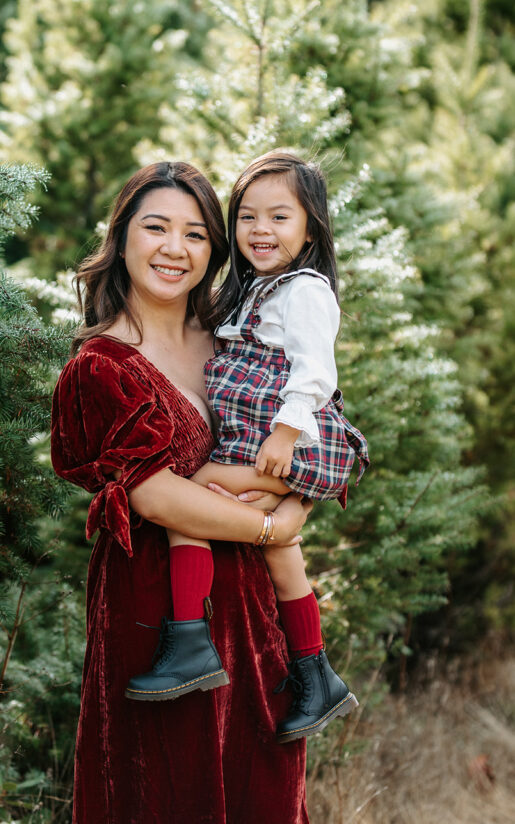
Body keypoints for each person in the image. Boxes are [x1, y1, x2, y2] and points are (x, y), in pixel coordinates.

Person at [51, 161, 313, 824]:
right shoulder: (99, 365)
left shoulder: (236, 343)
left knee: (261, 789)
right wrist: (270, 529)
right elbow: (154, 497)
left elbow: (310, 436)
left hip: (254, 611)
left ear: (213, 251)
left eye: (195, 234)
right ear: (122, 238)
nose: (175, 248)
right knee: (165, 789)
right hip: (157, 614)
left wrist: (294, 504)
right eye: (156, 227)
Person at [125, 152, 368, 745]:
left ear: (311, 227)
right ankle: (315, 670)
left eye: (280, 217)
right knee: (282, 553)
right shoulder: (256, 291)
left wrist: (284, 439)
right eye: (247, 217)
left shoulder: (304, 291)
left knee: (192, 490)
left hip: (286, 437)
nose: (261, 230)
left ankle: (188, 638)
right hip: (262, 442)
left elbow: (315, 374)